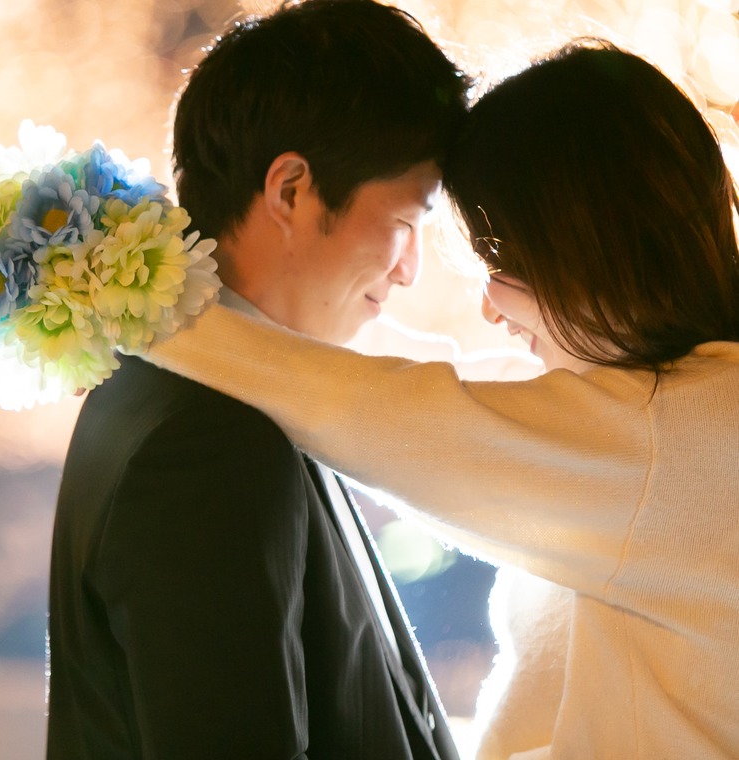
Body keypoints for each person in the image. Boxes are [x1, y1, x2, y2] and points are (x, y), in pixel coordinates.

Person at [146, 41, 739, 759]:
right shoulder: (680, 406)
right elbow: (447, 385)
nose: (490, 309)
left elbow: (382, 413)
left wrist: (115, 288)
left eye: (503, 266)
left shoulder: (674, 437)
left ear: (589, 247)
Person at [46, 1, 468, 758]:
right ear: (292, 190)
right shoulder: (208, 439)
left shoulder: (210, 389)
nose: (409, 270)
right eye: (406, 224)